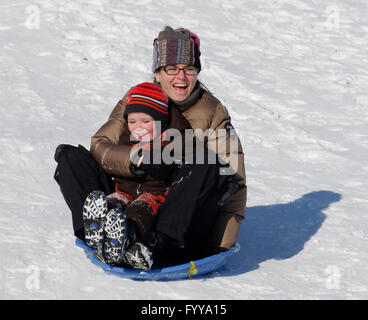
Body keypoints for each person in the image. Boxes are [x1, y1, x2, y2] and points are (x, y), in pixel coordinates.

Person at [54, 25, 247, 269]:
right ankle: (98, 234)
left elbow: (234, 181)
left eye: (189, 69)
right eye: (172, 69)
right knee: (71, 157)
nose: (181, 77)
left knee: (206, 163)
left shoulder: (212, 112)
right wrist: (136, 158)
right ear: (157, 72)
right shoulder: (137, 98)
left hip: (179, 226)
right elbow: (100, 146)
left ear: (197, 72)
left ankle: (154, 243)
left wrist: (219, 248)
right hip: (127, 200)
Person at [82, 82, 186, 269]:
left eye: (146, 122)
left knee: (140, 209)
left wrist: (153, 159)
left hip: (154, 195)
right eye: (132, 122)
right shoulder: (126, 141)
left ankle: (128, 233)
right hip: (125, 190)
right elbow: (111, 157)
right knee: (116, 200)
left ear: (160, 121)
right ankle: (100, 226)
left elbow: (174, 168)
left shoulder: (169, 142)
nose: (138, 127)